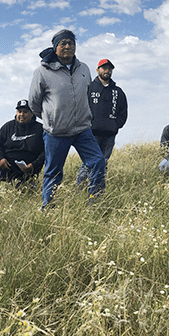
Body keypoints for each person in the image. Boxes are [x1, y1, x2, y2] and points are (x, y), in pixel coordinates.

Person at [29, 29, 106, 208]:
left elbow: (87, 94)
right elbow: (34, 103)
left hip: (82, 130)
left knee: (98, 162)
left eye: (71, 43)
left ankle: (95, 204)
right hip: (56, 132)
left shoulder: (84, 68)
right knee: (53, 172)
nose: (67, 46)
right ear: (55, 47)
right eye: (63, 43)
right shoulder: (42, 71)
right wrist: (51, 119)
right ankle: (48, 208)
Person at [76, 59, 128, 185]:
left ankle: (97, 189)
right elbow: (80, 107)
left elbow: (123, 112)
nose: (107, 70)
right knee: (88, 162)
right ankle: (80, 188)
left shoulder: (118, 92)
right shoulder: (89, 88)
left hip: (109, 134)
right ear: (97, 70)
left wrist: (115, 125)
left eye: (109, 68)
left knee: (103, 163)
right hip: (90, 133)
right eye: (104, 68)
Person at [0, 99, 45, 191]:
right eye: (19, 111)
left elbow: (46, 151)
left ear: (32, 113)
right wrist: (0, 159)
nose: (21, 114)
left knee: (25, 193)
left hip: (29, 169)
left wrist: (34, 165)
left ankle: (29, 184)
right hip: (8, 166)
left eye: (25, 112)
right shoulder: (8, 126)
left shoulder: (41, 129)